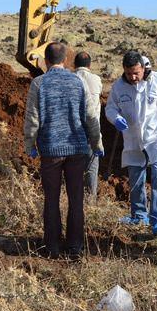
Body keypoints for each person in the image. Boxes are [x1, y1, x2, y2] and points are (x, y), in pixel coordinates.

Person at [24, 42, 103, 259]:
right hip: (77, 150)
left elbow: (32, 119)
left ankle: (52, 246)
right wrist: (96, 143)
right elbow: (91, 116)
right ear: (66, 60)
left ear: (45, 61)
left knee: (51, 198)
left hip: (51, 150)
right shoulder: (78, 82)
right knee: (76, 198)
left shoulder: (39, 83)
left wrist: (30, 144)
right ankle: (75, 247)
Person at [105, 51, 157, 235]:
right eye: (129, 73)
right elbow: (110, 107)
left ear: (143, 68)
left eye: (136, 73)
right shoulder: (119, 86)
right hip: (133, 139)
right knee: (136, 178)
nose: (133, 77)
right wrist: (115, 118)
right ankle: (139, 215)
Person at [74, 51, 103, 203]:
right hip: (93, 130)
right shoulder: (96, 80)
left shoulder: (70, 79)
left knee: (74, 166)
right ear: (90, 65)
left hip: (73, 131)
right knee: (91, 166)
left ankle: (75, 198)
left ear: (74, 64)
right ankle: (90, 201)